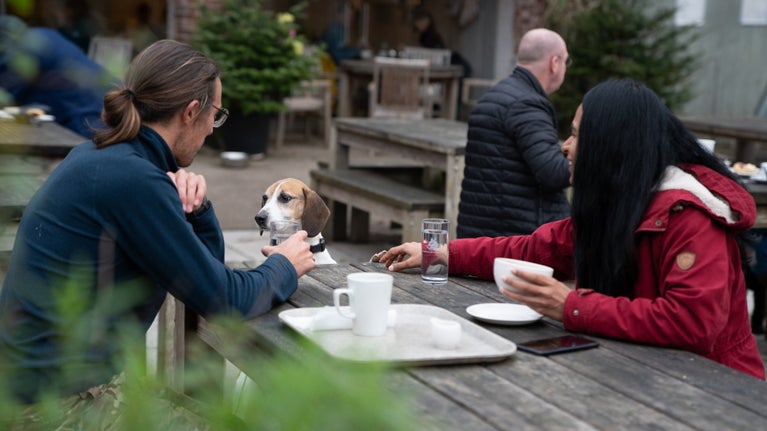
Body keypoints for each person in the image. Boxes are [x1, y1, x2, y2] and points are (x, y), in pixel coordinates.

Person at [378, 79, 766, 379]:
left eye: (578, 134)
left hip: (716, 392)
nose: (565, 146)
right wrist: (440, 253)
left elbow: (692, 324)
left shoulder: (691, 219)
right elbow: (534, 249)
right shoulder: (622, 203)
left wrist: (571, 306)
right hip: (640, 371)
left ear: (610, 146)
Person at [0, 39, 317, 404]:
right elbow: (225, 301)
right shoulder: (134, 180)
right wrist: (284, 264)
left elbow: (205, 276)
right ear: (191, 111)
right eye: (215, 114)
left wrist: (198, 210)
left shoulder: (103, 157)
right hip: (54, 407)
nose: (213, 129)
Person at [457, 28, 570, 238]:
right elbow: (554, 172)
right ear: (554, 63)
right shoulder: (528, 104)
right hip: (519, 239)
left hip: (480, 233)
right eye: (565, 61)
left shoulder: (493, 96)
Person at [0, 15, 117, 137]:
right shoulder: (43, 35)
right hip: (108, 103)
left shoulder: (24, 53)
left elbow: (7, 96)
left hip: (89, 115)